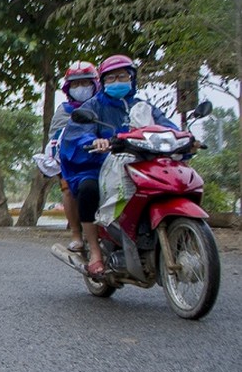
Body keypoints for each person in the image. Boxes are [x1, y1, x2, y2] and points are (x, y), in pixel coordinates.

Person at [59, 54, 176, 277]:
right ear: (102, 82)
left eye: (122, 76)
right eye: (111, 78)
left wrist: (185, 137)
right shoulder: (92, 106)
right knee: (88, 189)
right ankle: (95, 251)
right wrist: (93, 141)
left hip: (139, 163)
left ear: (131, 78)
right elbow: (77, 135)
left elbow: (166, 126)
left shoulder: (143, 106)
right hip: (100, 166)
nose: (117, 81)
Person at [43, 61, 100, 253]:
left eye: (85, 83)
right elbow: (57, 137)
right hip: (72, 158)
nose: (81, 88)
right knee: (68, 188)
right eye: (75, 84)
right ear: (68, 88)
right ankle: (76, 234)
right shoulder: (65, 111)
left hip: (104, 156)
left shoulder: (104, 106)